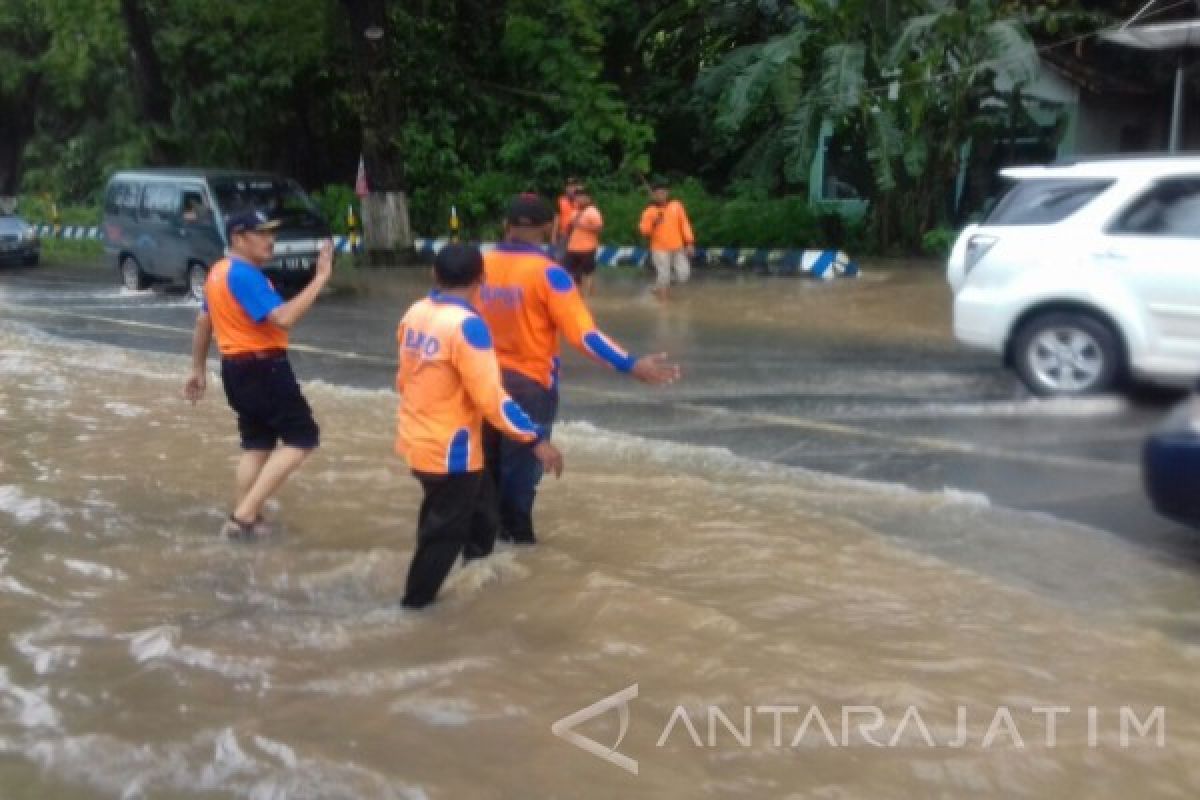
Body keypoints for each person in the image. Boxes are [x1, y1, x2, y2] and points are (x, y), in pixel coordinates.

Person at [479, 193, 681, 545]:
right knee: (520, 477)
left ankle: (483, 552)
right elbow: (584, 335)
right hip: (529, 388)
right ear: (548, 227)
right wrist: (629, 364)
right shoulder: (551, 275)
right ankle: (520, 554)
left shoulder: (477, 267)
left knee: (486, 472)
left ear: (505, 226)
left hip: (478, 384)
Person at [395, 243, 564, 609]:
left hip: (418, 436)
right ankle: (414, 608)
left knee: (484, 510)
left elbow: (405, 377)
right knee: (443, 535)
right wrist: (535, 438)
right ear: (482, 280)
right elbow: (492, 399)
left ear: (434, 276)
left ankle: (480, 582)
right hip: (450, 449)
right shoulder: (468, 326)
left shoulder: (416, 312)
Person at [183, 210, 334, 539]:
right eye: (261, 234)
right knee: (302, 438)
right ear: (238, 238)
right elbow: (283, 318)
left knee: (257, 444)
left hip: (234, 370)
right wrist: (320, 278)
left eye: (272, 233)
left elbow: (202, 323)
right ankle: (244, 515)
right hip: (264, 368)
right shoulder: (244, 275)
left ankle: (246, 517)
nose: (271, 241)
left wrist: (197, 368)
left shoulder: (217, 273)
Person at [638, 179, 695, 302]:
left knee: (683, 275)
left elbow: (685, 223)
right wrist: (653, 222)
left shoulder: (676, 205)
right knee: (664, 275)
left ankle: (659, 287)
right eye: (658, 193)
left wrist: (689, 242)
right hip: (659, 249)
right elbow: (643, 231)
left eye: (663, 192)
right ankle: (664, 304)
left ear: (667, 193)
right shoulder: (649, 211)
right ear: (653, 195)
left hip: (678, 247)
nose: (661, 195)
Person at [563, 186, 603, 295]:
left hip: (587, 248)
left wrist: (583, 226)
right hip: (573, 247)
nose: (578, 199)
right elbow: (571, 227)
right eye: (577, 197)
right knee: (570, 272)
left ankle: (587, 297)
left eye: (581, 197)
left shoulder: (593, 211)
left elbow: (599, 228)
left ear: (588, 198)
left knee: (587, 273)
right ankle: (578, 294)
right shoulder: (575, 212)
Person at [553, 177, 582, 252]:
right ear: (565, 188)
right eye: (569, 186)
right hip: (563, 235)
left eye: (573, 186)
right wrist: (553, 237)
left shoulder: (582, 201)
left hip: (578, 235)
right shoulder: (560, 200)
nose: (571, 189)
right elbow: (557, 219)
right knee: (560, 258)